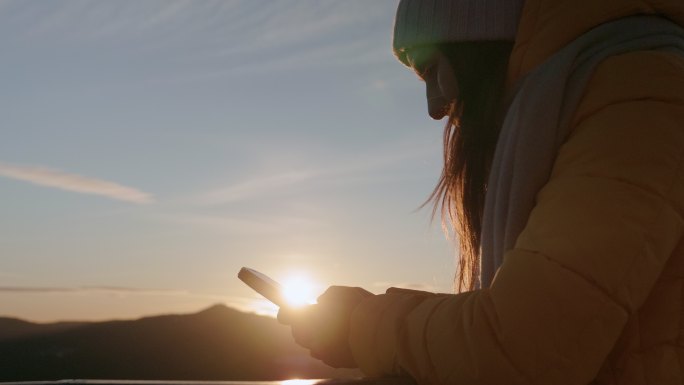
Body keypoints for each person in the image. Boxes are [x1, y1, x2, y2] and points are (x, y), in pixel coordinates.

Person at [279, 0, 684, 384]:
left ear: (478, 39)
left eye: (434, 69)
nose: (434, 106)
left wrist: (358, 326)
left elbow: (526, 346)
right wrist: (364, 321)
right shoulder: (605, 88)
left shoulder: (638, 91)